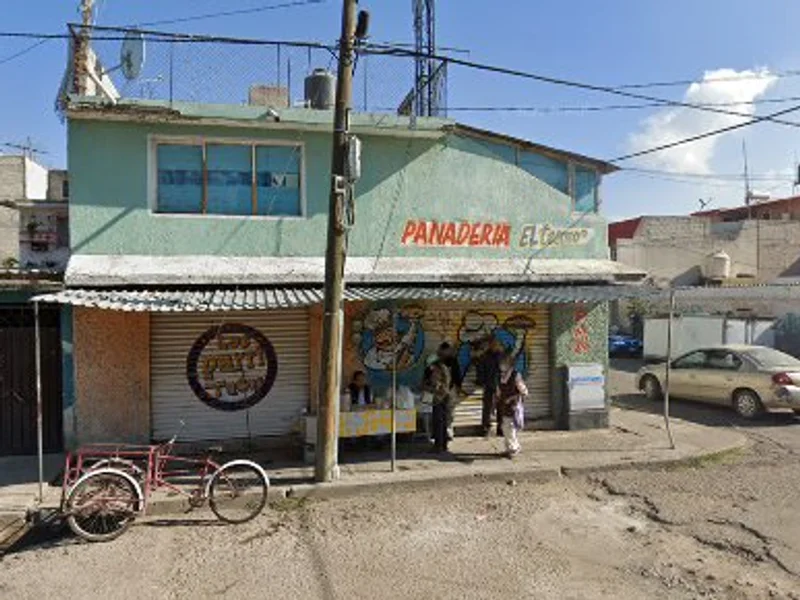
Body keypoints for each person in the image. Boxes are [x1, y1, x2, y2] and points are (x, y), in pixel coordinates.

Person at [495, 357, 528, 458]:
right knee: (505, 427)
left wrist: (512, 398)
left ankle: (513, 448)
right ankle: (509, 447)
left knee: (510, 427)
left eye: (503, 363)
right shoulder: (500, 376)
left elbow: (524, 392)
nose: (501, 366)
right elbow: (499, 391)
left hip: (513, 406)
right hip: (503, 406)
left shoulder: (515, 375)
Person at [423, 353, 452, 453]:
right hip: (446, 396)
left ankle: (438, 446)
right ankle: (443, 445)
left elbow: (435, 385)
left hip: (439, 398)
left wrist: (426, 387)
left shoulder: (436, 370)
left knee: (438, 422)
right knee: (443, 422)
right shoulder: (444, 368)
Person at [477, 338, 503, 438]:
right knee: (487, 408)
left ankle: (500, 428)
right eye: (493, 344)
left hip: (500, 386)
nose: (495, 346)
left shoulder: (501, 356)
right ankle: (486, 429)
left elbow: (505, 370)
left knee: (500, 408)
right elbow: (481, 371)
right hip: (489, 386)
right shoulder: (485, 357)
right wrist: (482, 382)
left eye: (496, 345)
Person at [436, 342, 462, 441]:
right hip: (441, 391)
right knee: (442, 412)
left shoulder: (453, 361)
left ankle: (448, 430)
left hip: (450, 390)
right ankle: (443, 431)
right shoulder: (438, 361)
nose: (446, 352)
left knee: (449, 411)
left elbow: (457, 375)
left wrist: (458, 387)